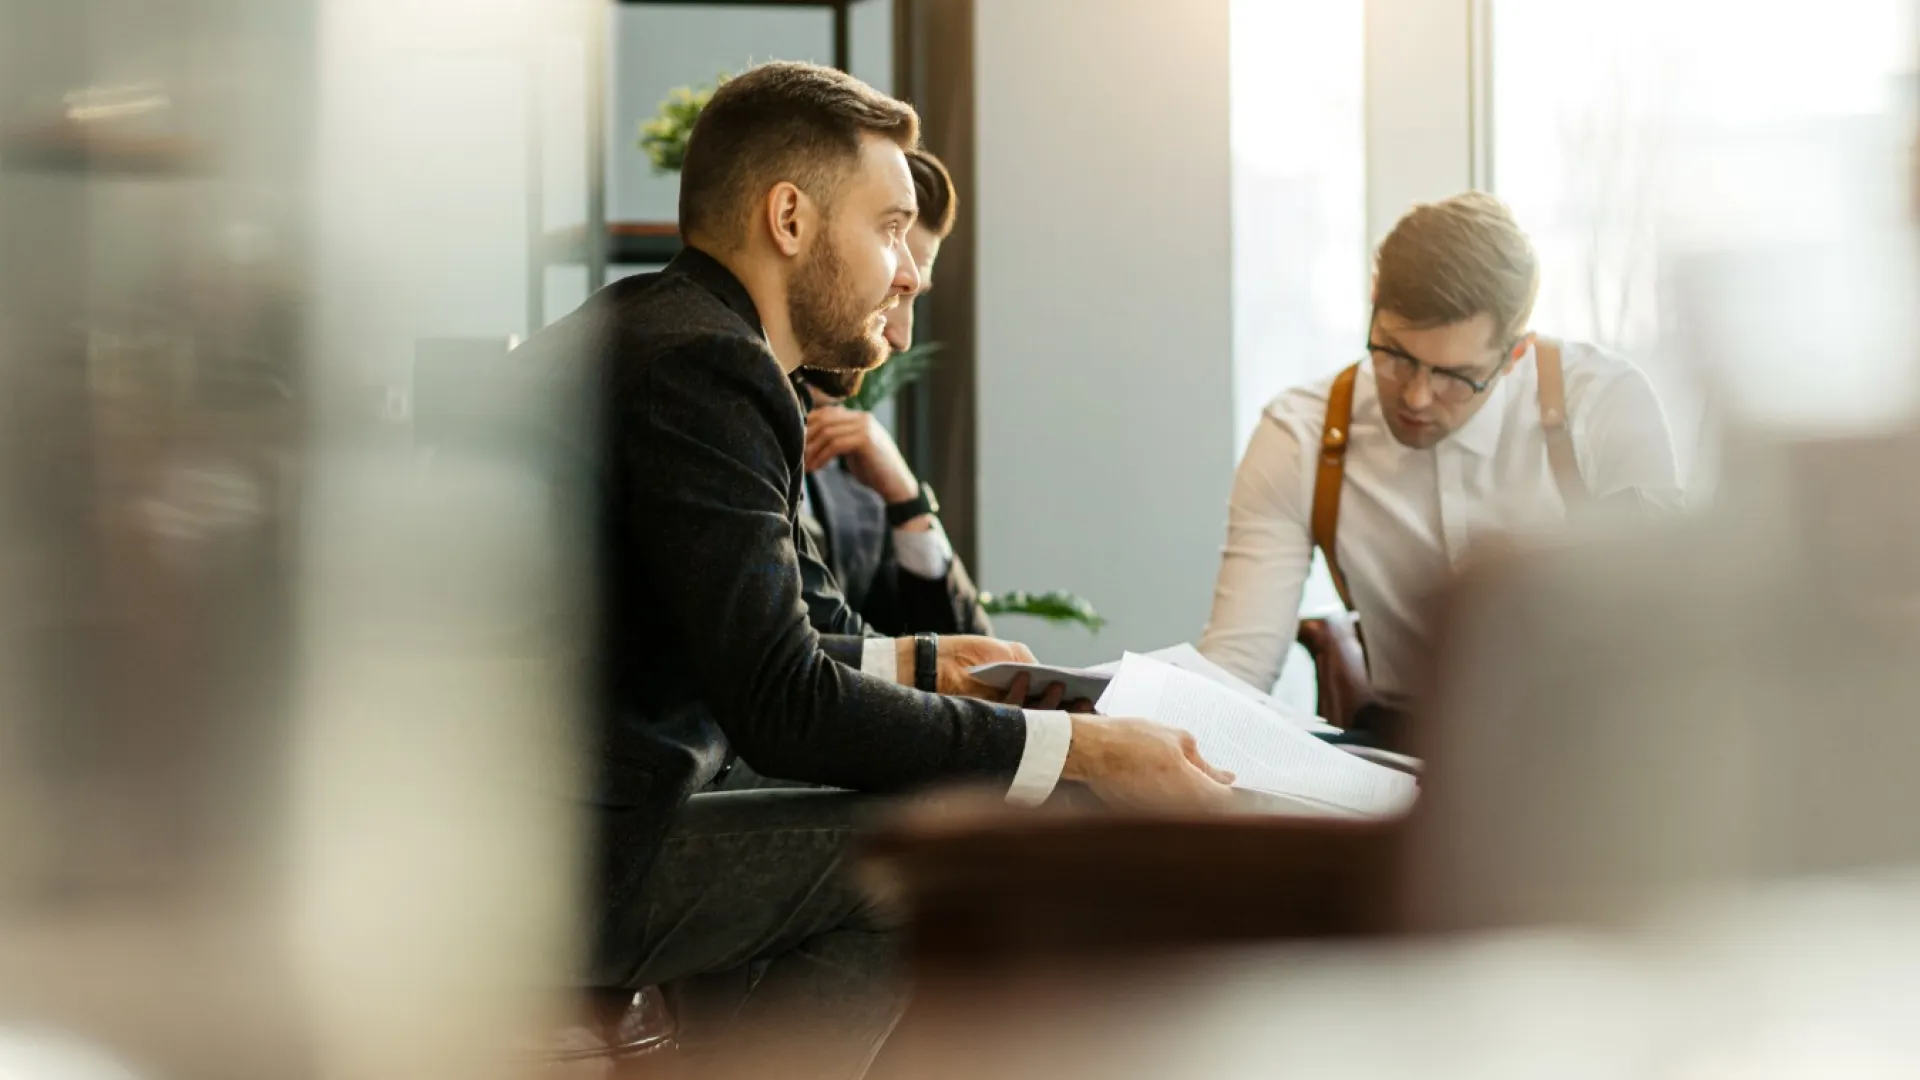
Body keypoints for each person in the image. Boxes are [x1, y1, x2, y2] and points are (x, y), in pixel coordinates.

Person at [515, 61, 1233, 1079]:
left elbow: (752, 645)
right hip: (554, 871)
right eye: (893, 226)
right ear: (791, 219)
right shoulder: (705, 367)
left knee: (978, 799)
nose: (914, 271)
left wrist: (926, 660)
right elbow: (781, 701)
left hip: (549, 828)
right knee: (948, 851)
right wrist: (1087, 752)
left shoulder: (662, 328)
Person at [1198, 191, 1680, 740]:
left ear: (1514, 353)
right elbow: (1236, 669)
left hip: (1582, 749)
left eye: (1456, 375)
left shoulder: (1603, 404)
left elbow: (1668, 641)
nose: (1418, 398)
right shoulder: (1302, 433)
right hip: (1399, 756)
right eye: (1396, 356)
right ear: (1374, 301)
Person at [793, 148, 992, 638]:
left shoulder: (854, 479)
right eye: (894, 290)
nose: (900, 337)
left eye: (913, 296)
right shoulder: (713, 418)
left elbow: (962, 651)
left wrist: (906, 500)